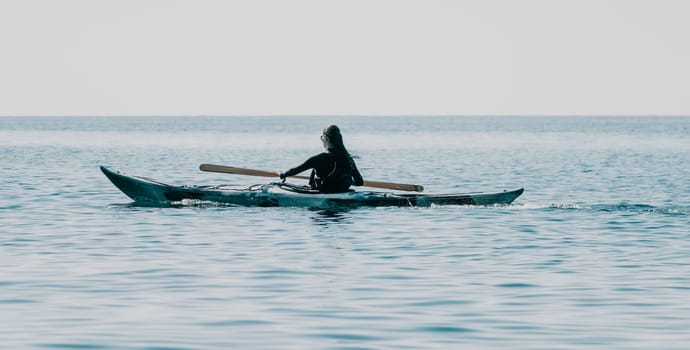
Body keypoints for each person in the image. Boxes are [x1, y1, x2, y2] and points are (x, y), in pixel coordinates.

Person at [279, 125, 364, 193]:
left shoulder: (320, 159)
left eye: (322, 137)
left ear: (326, 138)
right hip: (344, 197)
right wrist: (344, 179)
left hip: (324, 196)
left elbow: (295, 170)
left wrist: (283, 174)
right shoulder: (349, 159)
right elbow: (360, 182)